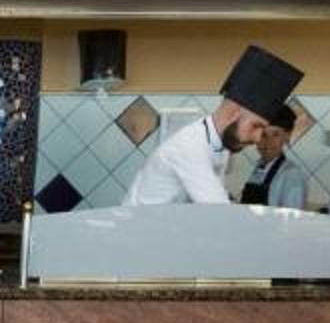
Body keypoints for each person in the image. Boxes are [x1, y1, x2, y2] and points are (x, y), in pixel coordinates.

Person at [129, 45, 303, 205]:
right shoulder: (190, 147)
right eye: (256, 126)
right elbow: (219, 210)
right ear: (234, 113)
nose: (258, 138)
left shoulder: (220, 145)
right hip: (143, 227)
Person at [239, 114, 313, 210]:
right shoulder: (259, 168)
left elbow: (291, 217)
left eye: (275, 134)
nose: (268, 142)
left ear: (286, 137)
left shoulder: (292, 175)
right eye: (263, 135)